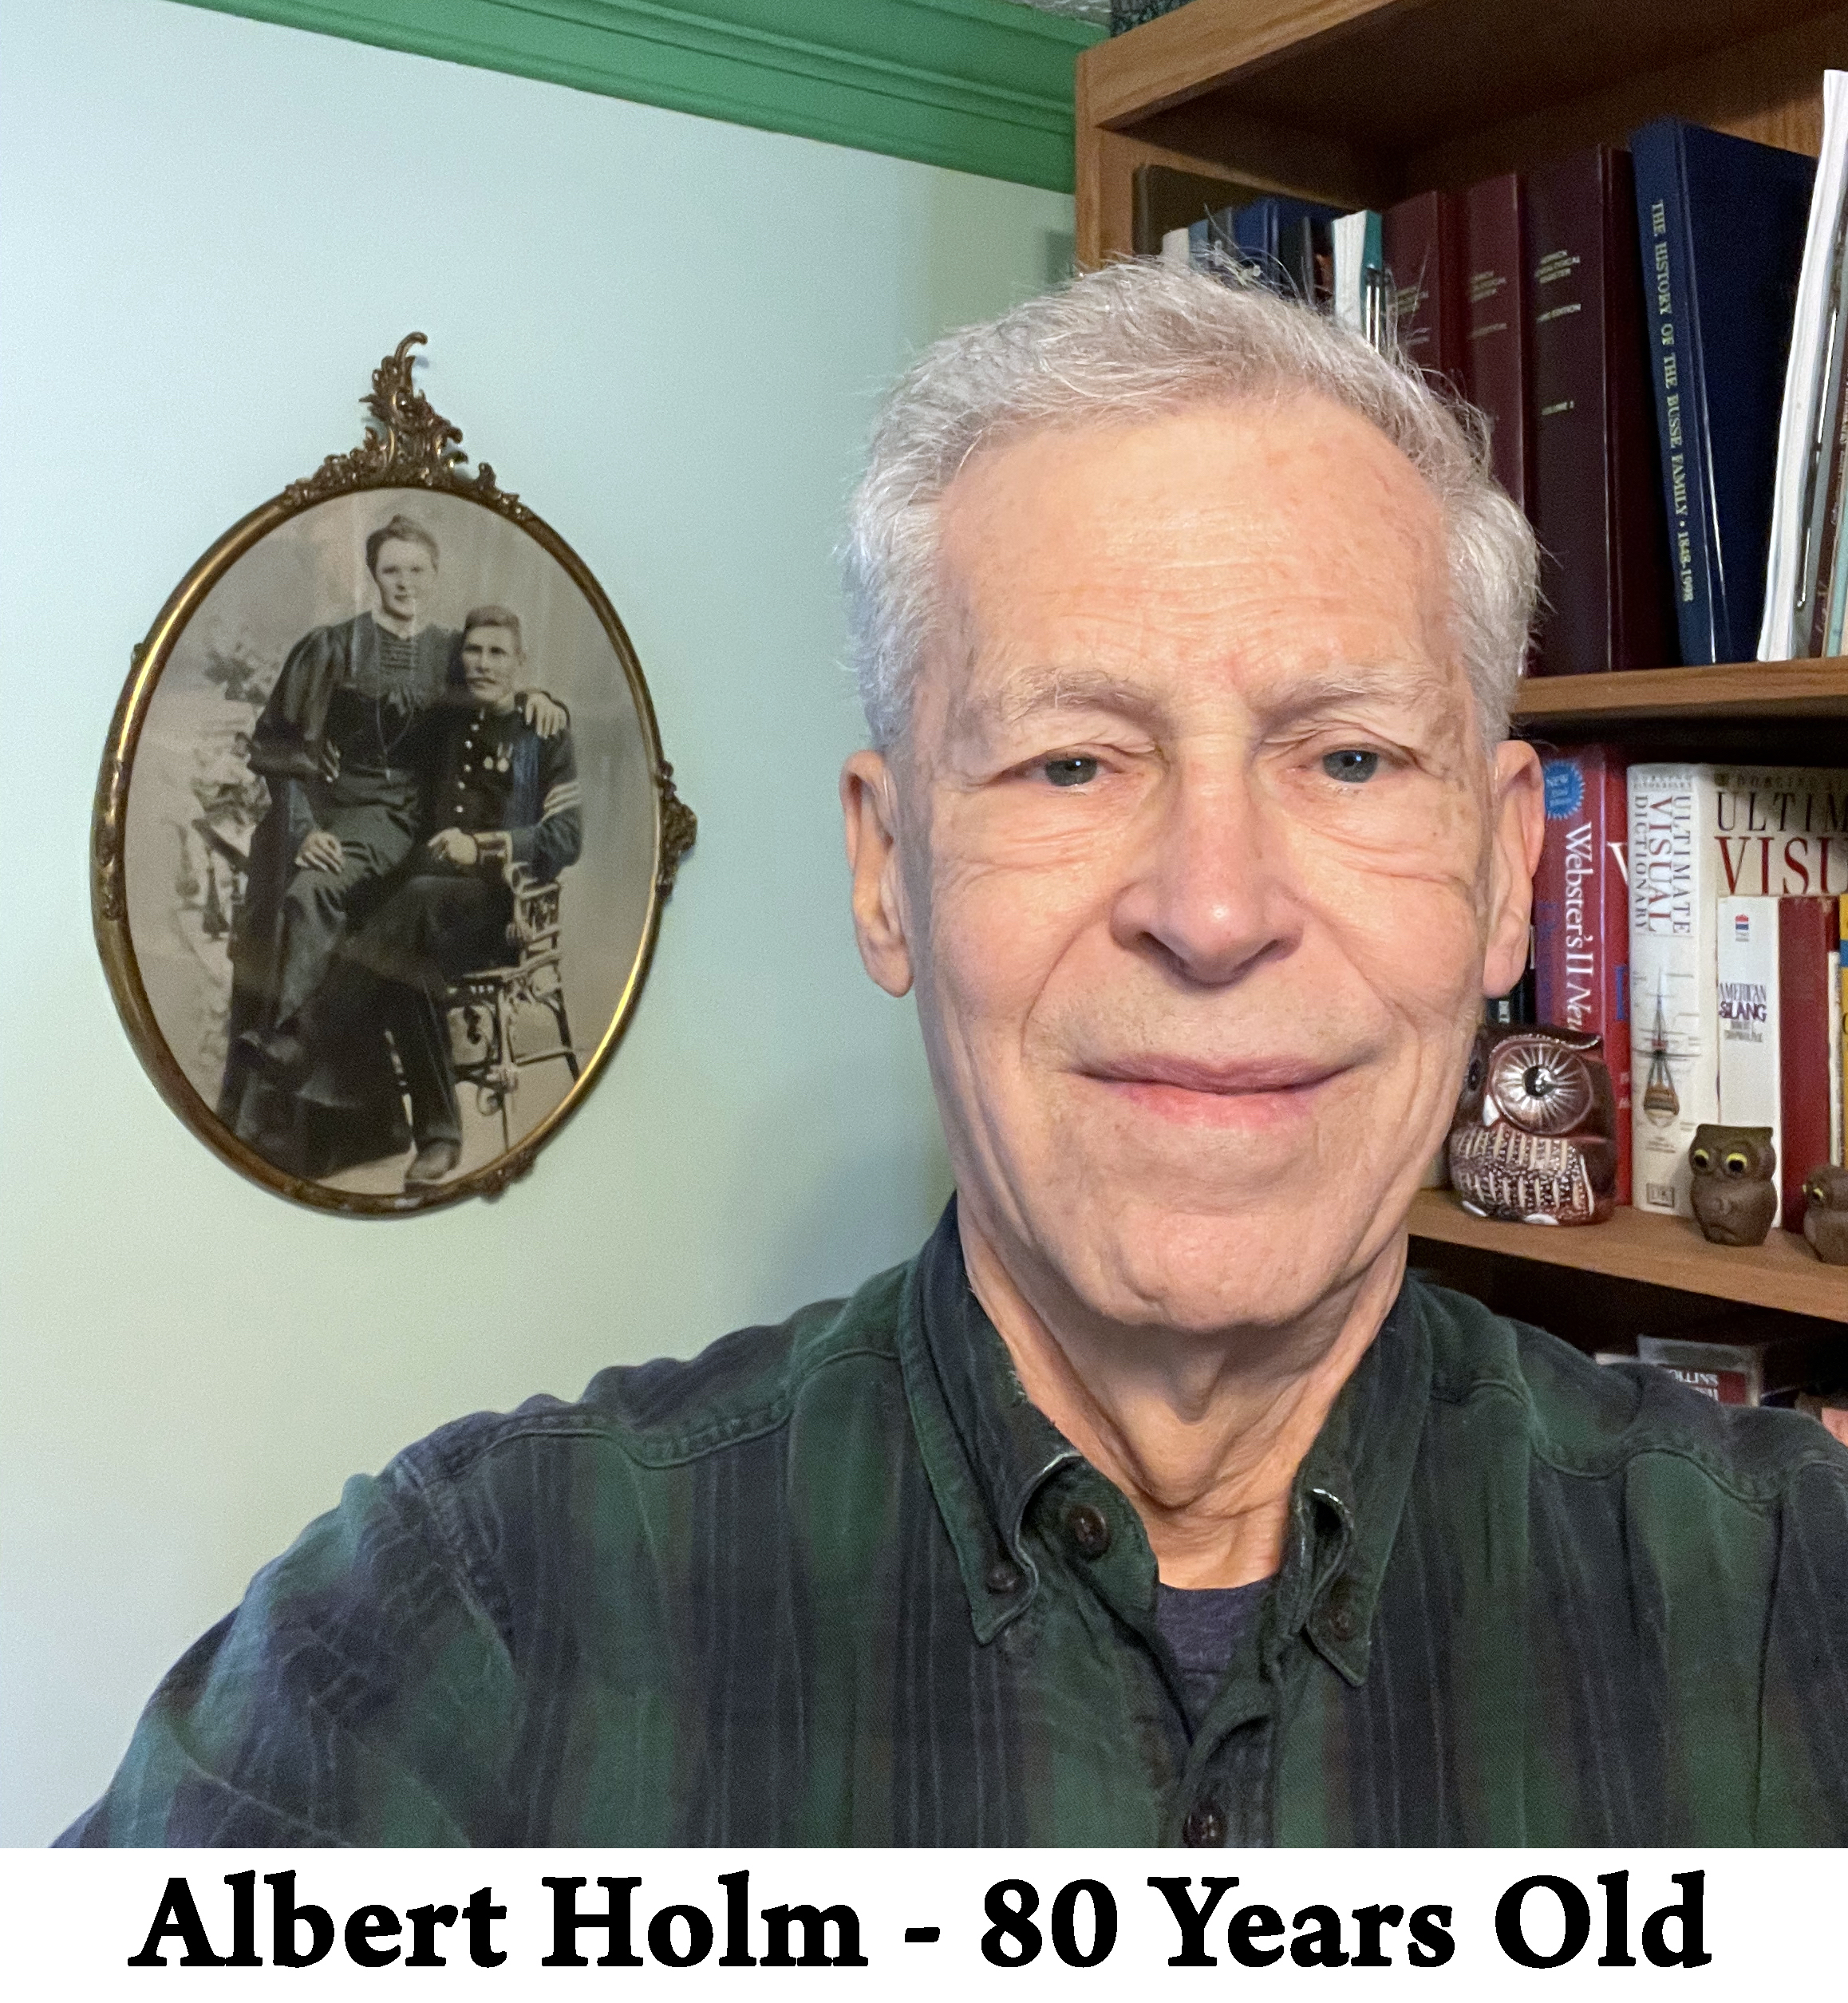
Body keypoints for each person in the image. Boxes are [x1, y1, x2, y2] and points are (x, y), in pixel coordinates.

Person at [66, 263, 1848, 1846]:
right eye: (1071, 760)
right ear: (886, 870)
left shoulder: (1799, 1597)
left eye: (1351, 759)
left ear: (1508, 881)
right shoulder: (467, 1628)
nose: (1212, 910)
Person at [218, 516, 565, 1175]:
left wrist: (545, 699)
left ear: (434, 578)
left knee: (399, 936)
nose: (404, 583)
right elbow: (286, 750)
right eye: (391, 571)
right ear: (374, 576)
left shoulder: (453, 648)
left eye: (417, 571)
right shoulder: (336, 647)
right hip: (351, 812)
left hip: (426, 822)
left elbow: (503, 694)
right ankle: (306, 1097)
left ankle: (314, 1060)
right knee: (310, 895)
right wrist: (305, 832)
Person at [330, 602, 582, 1190]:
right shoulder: (445, 722)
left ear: (520, 663)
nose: (484, 664)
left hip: (498, 911)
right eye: (474, 650)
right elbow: (372, 744)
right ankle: (439, 1140)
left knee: (413, 900)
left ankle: (315, 1033)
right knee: (403, 957)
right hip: (424, 918)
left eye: (498, 653)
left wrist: (484, 846)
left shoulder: (543, 731)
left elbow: (565, 839)